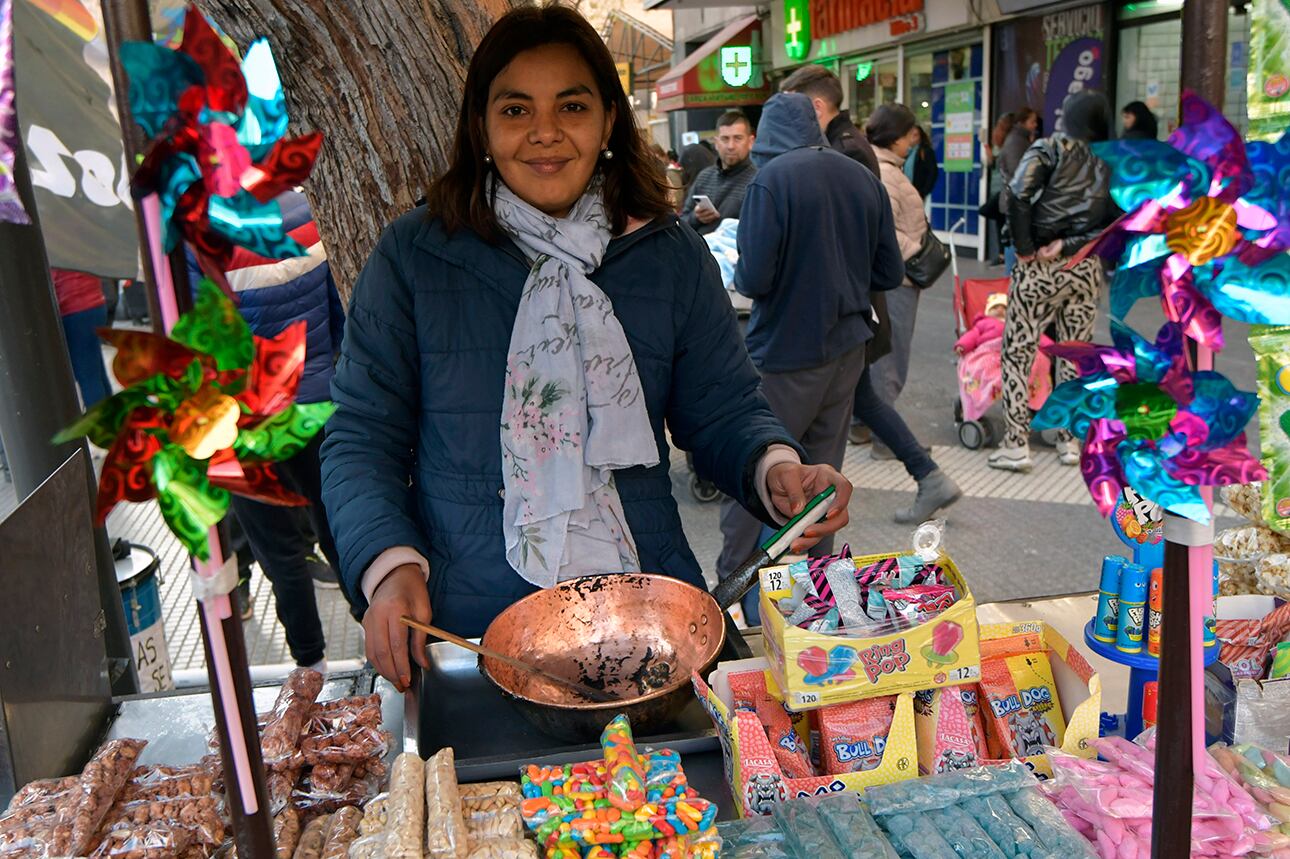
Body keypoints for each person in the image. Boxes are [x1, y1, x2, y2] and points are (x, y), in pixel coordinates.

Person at [320, 5, 854, 690]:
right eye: (515, 110)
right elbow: (361, 436)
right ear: (481, 127)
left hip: (652, 617)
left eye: (570, 106)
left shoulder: (668, 256)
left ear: (607, 119)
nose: (545, 133)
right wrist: (389, 566)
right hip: (477, 632)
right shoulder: (416, 258)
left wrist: (773, 466)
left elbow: (723, 408)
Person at [714, 92, 904, 617]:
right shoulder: (862, 176)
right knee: (822, 481)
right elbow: (889, 273)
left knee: (758, 471)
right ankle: (819, 599)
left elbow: (754, 278)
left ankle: (736, 592)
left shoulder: (770, 181)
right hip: (847, 351)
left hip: (786, 353)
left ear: (766, 138)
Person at [191, 190, 345, 669]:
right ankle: (386, 646)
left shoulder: (201, 230)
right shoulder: (306, 210)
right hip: (319, 402)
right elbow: (336, 313)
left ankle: (310, 665)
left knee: (280, 553)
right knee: (341, 532)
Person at [991, 91, 1115, 473]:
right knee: (1074, 353)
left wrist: (1026, 248)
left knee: (1018, 351)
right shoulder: (1110, 159)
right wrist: (1072, 243)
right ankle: (1068, 441)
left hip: (1040, 268)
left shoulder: (1050, 147)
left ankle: (1015, 443)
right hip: (1084, 267)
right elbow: (1114, 219)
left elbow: (1016, 192)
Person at [861, 104, 928, 424]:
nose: (913, 141)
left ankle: (869, 425)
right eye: (909, 134)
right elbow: (883, 232)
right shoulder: (885, 173)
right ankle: (883, 433)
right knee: (891, 359)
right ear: (896, 136)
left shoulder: (887, 166)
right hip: (897, 280)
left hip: (897, 277)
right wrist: (917, 251)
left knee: (882, 355)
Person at [778, 63, 879, 176]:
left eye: (793, 108)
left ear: (817, 107)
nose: (789, 115)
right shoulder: (830, 143)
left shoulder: (848, 152)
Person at [679, 110, 756, 235]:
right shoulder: (704, 177)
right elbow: (682, 221)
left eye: (738, 138)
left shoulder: (758, 181)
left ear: (750, 142)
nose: (731, 146)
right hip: (701, 251)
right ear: (716, 143)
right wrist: (695, 217)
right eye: (725, 139)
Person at [51, 267, 113, 408]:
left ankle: (98, 426)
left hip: (75, 311)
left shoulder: (55, 249)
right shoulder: (78, 247)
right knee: (97, 371)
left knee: (87, 376)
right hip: (95, 305)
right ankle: (111, 419)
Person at [996, 107, 1040, 273]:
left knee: (1014, 240)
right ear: (1022, 123)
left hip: (1016, 200)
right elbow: (1018, 175)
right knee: (1014, 242)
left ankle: (1011, 280)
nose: (1035, 125)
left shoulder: (1020, 139)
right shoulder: (1016, 141)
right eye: (1032, 121)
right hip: (1015, 201)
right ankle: (1010, 282)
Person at [906, 125, 939, 199]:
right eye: (910, 135)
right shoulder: (906, 152)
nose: (912, 138)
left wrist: (924, 191)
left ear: (920, 137)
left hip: (918, 192)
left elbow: (933, 172)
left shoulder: (925, 151)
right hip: (906, 191)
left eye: (915, 135)